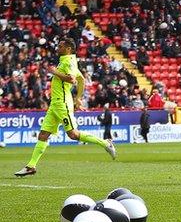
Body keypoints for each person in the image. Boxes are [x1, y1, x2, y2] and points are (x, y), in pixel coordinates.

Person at [15, 38, 116, 177]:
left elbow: (72, 79)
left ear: (68, 49)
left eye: (61, 46)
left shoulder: (68, 61)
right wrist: (79, 98)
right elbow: (81, 79)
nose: (57, 47)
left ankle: (105, 143)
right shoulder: (68, 61)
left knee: (73, 134)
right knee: (43, 134)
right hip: (55, 104)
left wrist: (54, 72)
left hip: (62, 103)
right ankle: (31, 166)